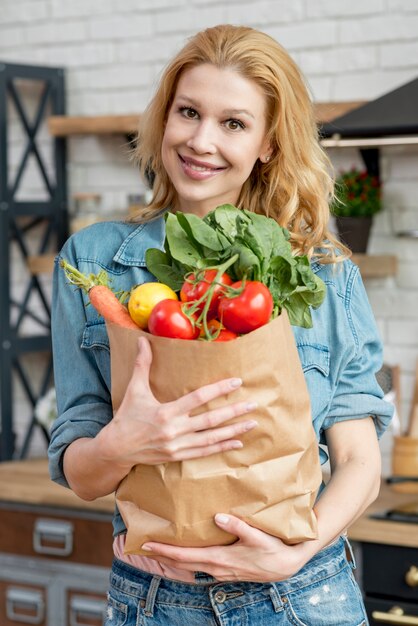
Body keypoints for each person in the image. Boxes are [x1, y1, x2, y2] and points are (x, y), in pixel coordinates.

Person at [49, 24, 393, 626]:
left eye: (233, 123)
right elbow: (80, 473)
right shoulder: (94, 263)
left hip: (301, 597)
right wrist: (120, 445)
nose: (201, 141)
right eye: (188, 112)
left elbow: (360, 463)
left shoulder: (319, 270)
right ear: (165, 119)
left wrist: (293, 555)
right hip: (154, 602)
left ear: (266, 143)